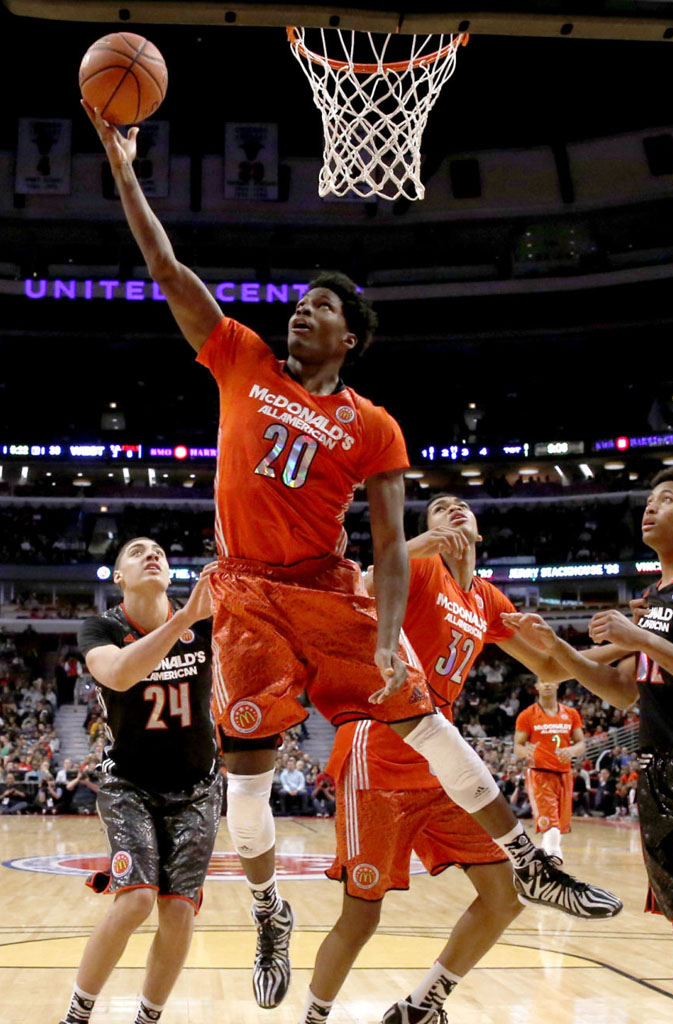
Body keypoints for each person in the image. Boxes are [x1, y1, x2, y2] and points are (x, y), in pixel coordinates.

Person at [84, 104, 620, 1012]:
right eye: (300, 302)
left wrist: (380, 637)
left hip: (326, 586)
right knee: (246, 793)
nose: (301, 310)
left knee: (422, 714)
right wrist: (122, 166)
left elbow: (384, 542)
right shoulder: (241, 356)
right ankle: (267, 909)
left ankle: (528, 858)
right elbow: (166, 267)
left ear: (351, 338)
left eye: (321, 307)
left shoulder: (372, 424)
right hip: (246, 594)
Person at [298, 494, 622, 1024]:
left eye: (462, 505)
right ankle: (313, 1019)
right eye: (439, 507)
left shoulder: (487, 599)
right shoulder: (420, 567)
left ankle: (424, 1003)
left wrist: (638, 645)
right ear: (427, 529)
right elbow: (353, 588)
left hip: (440, 764)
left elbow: (551, 666)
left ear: (479, 530)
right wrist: (414, 547)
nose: (453, 508)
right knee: (361, 917)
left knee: (505, 896)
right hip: (377, 753)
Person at [503, 464, 673, 1023]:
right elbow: (629, 692)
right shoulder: (655, 594)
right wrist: (563, 650)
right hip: (656, 777)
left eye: (667, 498)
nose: (651, 507)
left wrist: (643, 635)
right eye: (648, 498)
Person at [58, 539, 222, 1024]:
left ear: (171, 574)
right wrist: (184, 620)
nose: (151, 555)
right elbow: (121, 675)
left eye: (159, 552)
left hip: (197, 787)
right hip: (129, 783)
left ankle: (148, 1018)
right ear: (118, 577)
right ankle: (77, 1014)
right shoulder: (102, 627)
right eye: (137, 552)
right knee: (136, 900)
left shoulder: (205, 619)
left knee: (177, 913)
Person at [513, 678, 586, 861]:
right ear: (536, 687)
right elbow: (517, 747)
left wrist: (571, 751)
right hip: (539, 772)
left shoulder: (571, 713)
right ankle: (554, 861)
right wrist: (525, 752)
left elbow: (581, 743)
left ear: (557, 684)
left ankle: (544, 857)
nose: (546, 684)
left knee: (559, 825)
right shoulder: (527, 715)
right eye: (542, 681)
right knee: (550, 823)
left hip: (564, 773)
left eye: (549, 681)